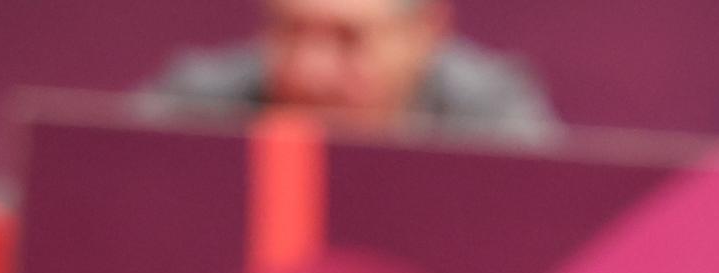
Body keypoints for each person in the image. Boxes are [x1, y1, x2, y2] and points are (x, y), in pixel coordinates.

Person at [143, 0, 555, 144]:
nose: (309, 71)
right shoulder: (195, 106)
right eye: (289, 31)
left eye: (348, 39)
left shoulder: (493, 122)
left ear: (425, 33)